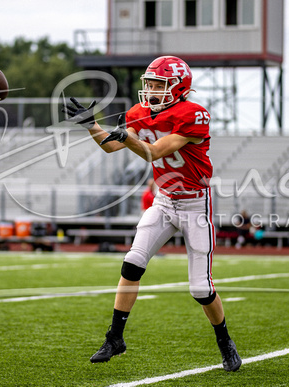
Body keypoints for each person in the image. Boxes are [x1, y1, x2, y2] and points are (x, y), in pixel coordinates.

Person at [64, 56, 241, 371]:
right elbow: (109, 146)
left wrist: (126, 136)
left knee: (200, 288)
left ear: (178, 87)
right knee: (132, 262)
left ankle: (224, 341)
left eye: (158, 84)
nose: (151, 89)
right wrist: (91, 124)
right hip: (163, 200)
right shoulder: (139, 113)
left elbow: (156, 151)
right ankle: (114, 337)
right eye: (149, 83)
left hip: (194, 203)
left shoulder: (194, 115)